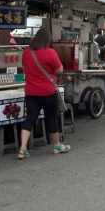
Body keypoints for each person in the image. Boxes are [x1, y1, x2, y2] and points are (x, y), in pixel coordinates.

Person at [18, 28, 70, 160]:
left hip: (31, 92)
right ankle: (57, 145)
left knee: (30, 118)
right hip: (48, 92)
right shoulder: (50, 52)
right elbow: (59, 70)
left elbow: (24, 68)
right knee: (51, 118)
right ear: (47, 40)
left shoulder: (26, 53)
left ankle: (23, 148)